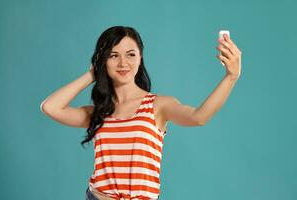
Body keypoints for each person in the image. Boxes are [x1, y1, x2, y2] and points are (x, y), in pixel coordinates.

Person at [40, 26, 242, 200]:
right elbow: (50, 107)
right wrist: (92, 73)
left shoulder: (158, 105)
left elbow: (200, 117)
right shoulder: (99, 112)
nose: (123, 63)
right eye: (113, 55)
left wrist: (231, 77)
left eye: (130, 54)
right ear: (103, 60)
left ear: (140, 57)